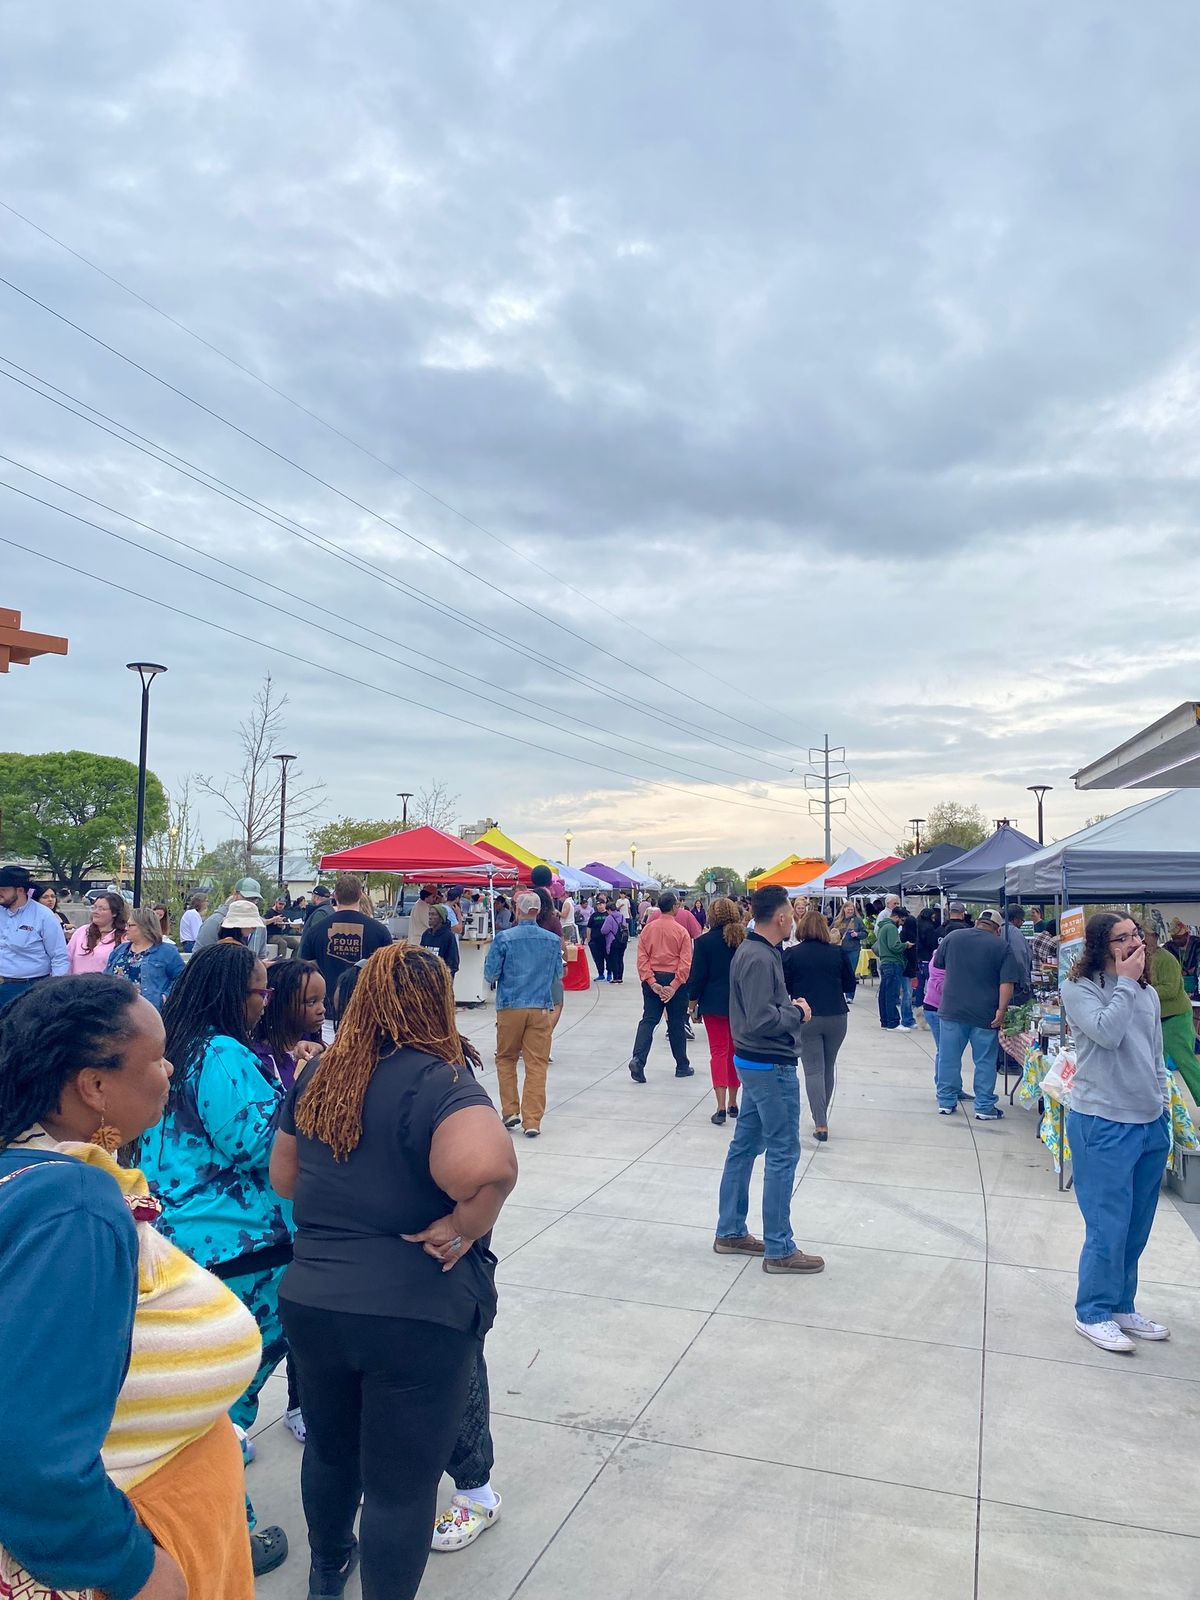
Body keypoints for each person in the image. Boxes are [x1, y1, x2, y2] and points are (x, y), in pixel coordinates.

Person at [270, 942, 518, 1600]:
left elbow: (284, 1179)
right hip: (415, 1310)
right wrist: (465, 1225)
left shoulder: (319, 1076)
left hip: (317, 1299)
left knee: (329, 1453)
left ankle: (327, 1574)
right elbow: (489, 1167)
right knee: (399, 1490)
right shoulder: (440, 1081)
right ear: (434, 1003)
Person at [0, 974, 261, 1599]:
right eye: (157, 1057)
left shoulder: (41, 1173)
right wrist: (133, 1569)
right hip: (126, 1548)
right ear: (94, 1086)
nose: (170, 1069)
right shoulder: (74, 1203)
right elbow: (30, 1449)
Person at [142, 943, 293, 1575]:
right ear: (235, 994)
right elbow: (254, 1144)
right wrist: (304, 1096)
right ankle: (231, 1534)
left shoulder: (173, 1050)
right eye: (260, 991)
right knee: (232, 1393)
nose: (266, 1002)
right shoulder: (223, 1053)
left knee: (209, 1389)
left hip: (182, 1242)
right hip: (239, 1247)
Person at [1061, 913, 1172, 1353]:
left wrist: (1163, 1103)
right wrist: (1125, 981)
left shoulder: (1145, 992)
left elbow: (1154, 1051)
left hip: (1149, 1121)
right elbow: (1106, 1034)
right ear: (1100, 946)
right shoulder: (1080, 988)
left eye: (1135, 935)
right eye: (1120, 938)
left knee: (1136, 1226)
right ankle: (1092, 1311)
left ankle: (1122, 1304)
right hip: (1103, 1122)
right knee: (1108, 1225)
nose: (1132, 943)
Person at [714, 884, 820, 1274]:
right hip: (769, 1066)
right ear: (780, 916)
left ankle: (730, 1230)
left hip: (753, 1063)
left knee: (744, 1147)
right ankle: (779, 1247)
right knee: (782, 1153)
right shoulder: (759, 956)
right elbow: (761, 1019)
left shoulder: (756, 951)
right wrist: (797, 1013)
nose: (794, 917)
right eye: (791, 911)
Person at [483, 892, 562, 1136]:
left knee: (506, 1058)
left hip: (510, 1006)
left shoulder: (505, 938)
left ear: (518, 910)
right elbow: (558, 974)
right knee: (536, 1064)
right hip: (539, 1006)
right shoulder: (552, 940)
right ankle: (533, 1121)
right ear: (538, 911)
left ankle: (510, 1111)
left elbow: (491, 973)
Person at [931, 908, 1022, 1119]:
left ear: (976, 923)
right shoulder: (1002, 946)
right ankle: (983, 1106)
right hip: (985, 1014)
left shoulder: (953, 937)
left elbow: (939, 964)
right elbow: (1006, 983)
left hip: (951, 1009)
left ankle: (945, 1100)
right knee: (985, 1060)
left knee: (948, 1057)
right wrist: (1001, 1010)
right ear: (997, 929)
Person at [782, 909, 857, 1141]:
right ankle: (821, 1115)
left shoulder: (792, 954)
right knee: (828, 1066)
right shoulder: (837, 952)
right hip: (837, 1015)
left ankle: (820, 1122)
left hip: (807, 1016)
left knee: (813, 1069)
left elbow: (785, 985)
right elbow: (849, 983)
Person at [300, 874, 393, 1020]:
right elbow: (389, 973)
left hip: (326, 1012)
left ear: (335, 895)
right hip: (366, 1013)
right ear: (360, 894)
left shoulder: (316, 930)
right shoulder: (380, 931)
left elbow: (303, 968)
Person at [688, 896, 745, 1123]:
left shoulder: (704, 942)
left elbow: (697, 977)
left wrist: (692, 1005)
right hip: (741, 1004)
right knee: (735, 1052)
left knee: (718, 1052)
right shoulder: (745, 940)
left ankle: (720, 1106)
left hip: (714, 1004)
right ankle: (733, 1101)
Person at [628, 891, 694, 1081]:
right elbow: (685, 962)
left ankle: (638, 1059)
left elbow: (642, 958)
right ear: (674, 907)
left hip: (654, 978)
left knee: (648, 1020)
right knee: (676, 1022)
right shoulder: (681, 931)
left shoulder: (648, 929)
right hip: (674, 979)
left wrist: (651, 981)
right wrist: (674, 985)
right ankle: (682, 1065)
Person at [1145, 915, 1200, 1104]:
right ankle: (1163, 1106)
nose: (1140, 939)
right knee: (1157, 1064)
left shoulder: (1165, 958)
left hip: (1176, 1017)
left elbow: (1170, 988)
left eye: (1144, 935)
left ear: (1153, 936)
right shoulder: (1146, 956)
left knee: (1186, 1063)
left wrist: (1143, 989)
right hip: (1160, 1018)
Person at [0, 863, 69, 1011]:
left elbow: (59, 957)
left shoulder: (44, 916)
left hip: (29, 988)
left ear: (20, 890)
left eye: (3, 889)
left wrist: (53, 991)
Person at [106, 905, 186, 1011]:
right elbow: (106, 976)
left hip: (149, 1012)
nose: (126, 928)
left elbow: (182, 978)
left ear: (145, 927)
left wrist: (164, 998)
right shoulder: (120, 950)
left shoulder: (167, 952)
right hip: (118, 1012)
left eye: (131, 925)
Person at [67, 889, 129, 976]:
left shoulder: (125, 937)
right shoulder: (82, 932)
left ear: (114, 913)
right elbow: (66, 959)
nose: (95, 912)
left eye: (102, 909)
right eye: (94, 907)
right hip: (76, 986)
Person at [874, 904, 908, 1030]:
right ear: (897, 917)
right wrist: (905, 945)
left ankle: (885, 1021)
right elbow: (894, 946)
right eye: (902, 920)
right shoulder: (891, 928)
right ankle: (893, 1022)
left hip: (885, 963)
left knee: (884, 993)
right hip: (893, 963)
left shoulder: (883, 927)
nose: (902, 923)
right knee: (892, 994)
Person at [832, 901, 867, 995]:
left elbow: (865, 933)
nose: (850, 911)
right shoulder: (837, 921)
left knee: (851, 972)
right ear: (844, 909)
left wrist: (857, 934)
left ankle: (850, 995)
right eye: (848, 909)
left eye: (852, 909)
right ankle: (839, 992)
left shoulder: (858, 921)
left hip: (853, 949)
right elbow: (829, 931)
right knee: (839, 971)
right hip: (839, 949)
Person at [1003, 904, 1034, 1000]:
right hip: (1016, 985)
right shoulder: (1014, 932)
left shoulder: (997, 930)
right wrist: (1025, 983)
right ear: (1016, 919)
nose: (1022, 923)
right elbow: (1020, 957)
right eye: (1022, 920)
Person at [422, 903, 461, 977]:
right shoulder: (426, 934)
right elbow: (420, 956)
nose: (430, 917)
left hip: (442, 979)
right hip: (426, 979)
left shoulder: (449, 936)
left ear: (441, 918)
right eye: (429, 914)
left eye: (433, 914)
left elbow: (453, 963)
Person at [915, 905, 942, 1010]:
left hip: (917, 959)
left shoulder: (916, 926)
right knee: (932, 986)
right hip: (927, 958)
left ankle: (918, 1007)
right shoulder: (930, 928)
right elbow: (931, 943)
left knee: (918, 986)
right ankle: (931, 1007)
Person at [897, 903, 919, 1026]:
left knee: (906, 993)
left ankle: (907, 1018)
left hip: (905, 967)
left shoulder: (902, 934)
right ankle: (907, 1019)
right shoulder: (910, 939)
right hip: (907, 968)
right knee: (907, 993)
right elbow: (910, 956)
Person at [602, 900, 629, 984]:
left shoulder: (609, 918)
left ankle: (615, 978)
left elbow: (604, 930)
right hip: (622, 941)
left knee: (614, 959)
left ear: (609, 910)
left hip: (613, 941)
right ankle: (620, 977)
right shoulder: (621, 916)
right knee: (620, 959)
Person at [586, 894, 610, 981]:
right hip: (596, 941)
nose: (600, 906)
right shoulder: (594, 916)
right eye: (598, 905)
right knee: (598, 959)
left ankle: (609, 973)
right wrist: (589, 940)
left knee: (608, 958)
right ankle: (601, 974)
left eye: (601, 904)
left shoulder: (608, 914)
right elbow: (589, 928)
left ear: (605, 905)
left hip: (607, 941)